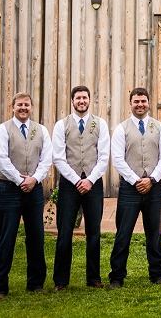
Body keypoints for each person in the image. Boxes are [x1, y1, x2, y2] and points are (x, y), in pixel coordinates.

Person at [0, 93, 53, 300]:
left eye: (26, 105)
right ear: (12, 107)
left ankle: (35, 283)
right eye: (19, 105)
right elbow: (0, 159)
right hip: (9, 189)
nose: (23, 108)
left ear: (31, 107)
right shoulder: (2, 130)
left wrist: (33, 180)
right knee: (7, 237)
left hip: (33, 190)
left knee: (36, 237)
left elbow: (46, 159)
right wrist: (20, 180)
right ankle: (0, 287)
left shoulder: (41, 130)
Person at [107, 87, 161, 287]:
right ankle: (117, 277)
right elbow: (117, 159)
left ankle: (158, 275)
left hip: (153, 187)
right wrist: (136, 180)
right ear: (130, 104)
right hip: (129, 188)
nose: (140, 104)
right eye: (136, 101)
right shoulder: (121, 129)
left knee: (154, 232)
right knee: (123, 232)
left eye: (143, 101)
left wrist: (151, 180)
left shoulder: (160, 127)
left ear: (148, 102)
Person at [52, 85, 110, 291]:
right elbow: (58, 157)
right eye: (78, 98)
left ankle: (93, 277)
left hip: (93, 183)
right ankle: (61, 280)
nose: (82, 101)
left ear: (89, 100)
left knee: (93, 231)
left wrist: (90, 180)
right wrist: (77, 179)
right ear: (72, 101)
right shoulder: (62, 125)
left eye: (85, 97)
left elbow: (104, 157)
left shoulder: (100, 124)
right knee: (64, 231)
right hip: (69, 183)